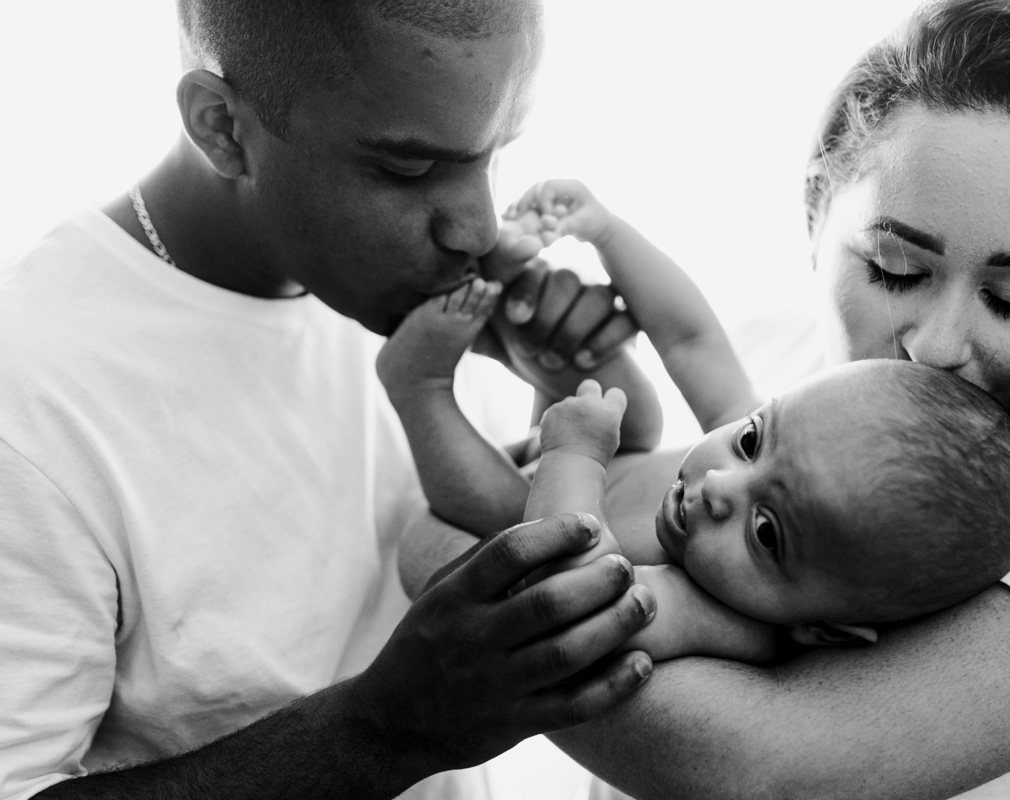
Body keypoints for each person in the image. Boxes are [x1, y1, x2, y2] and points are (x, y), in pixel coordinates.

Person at [397, 0, 1010, 796]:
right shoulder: (796, 377)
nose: (937, 347)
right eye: (895, 269)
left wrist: (461, 533)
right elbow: (688, 347)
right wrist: (571, 341)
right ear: (817, 210)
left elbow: (742, 764)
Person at [0, 1, 662, 798]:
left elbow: (507, 535)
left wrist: (565, 397)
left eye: (494, 153)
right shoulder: (31, 394)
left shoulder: (412, 293)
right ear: (221, 127)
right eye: (411, 170)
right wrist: (381, 729)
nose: (479, 228)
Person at [383, 180, 1010, 655]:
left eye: (766, 532)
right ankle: (534, 324)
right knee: (634, 412)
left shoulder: (719, 618)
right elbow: (691, 338)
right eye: (751, 440)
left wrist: (574, 455)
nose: (722, 485)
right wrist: (606, 231)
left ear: (823, 630)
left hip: (547, 499)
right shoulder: (776, 457)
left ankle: (419, 384)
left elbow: (572, 594)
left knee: (502, 511)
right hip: (611, 456)